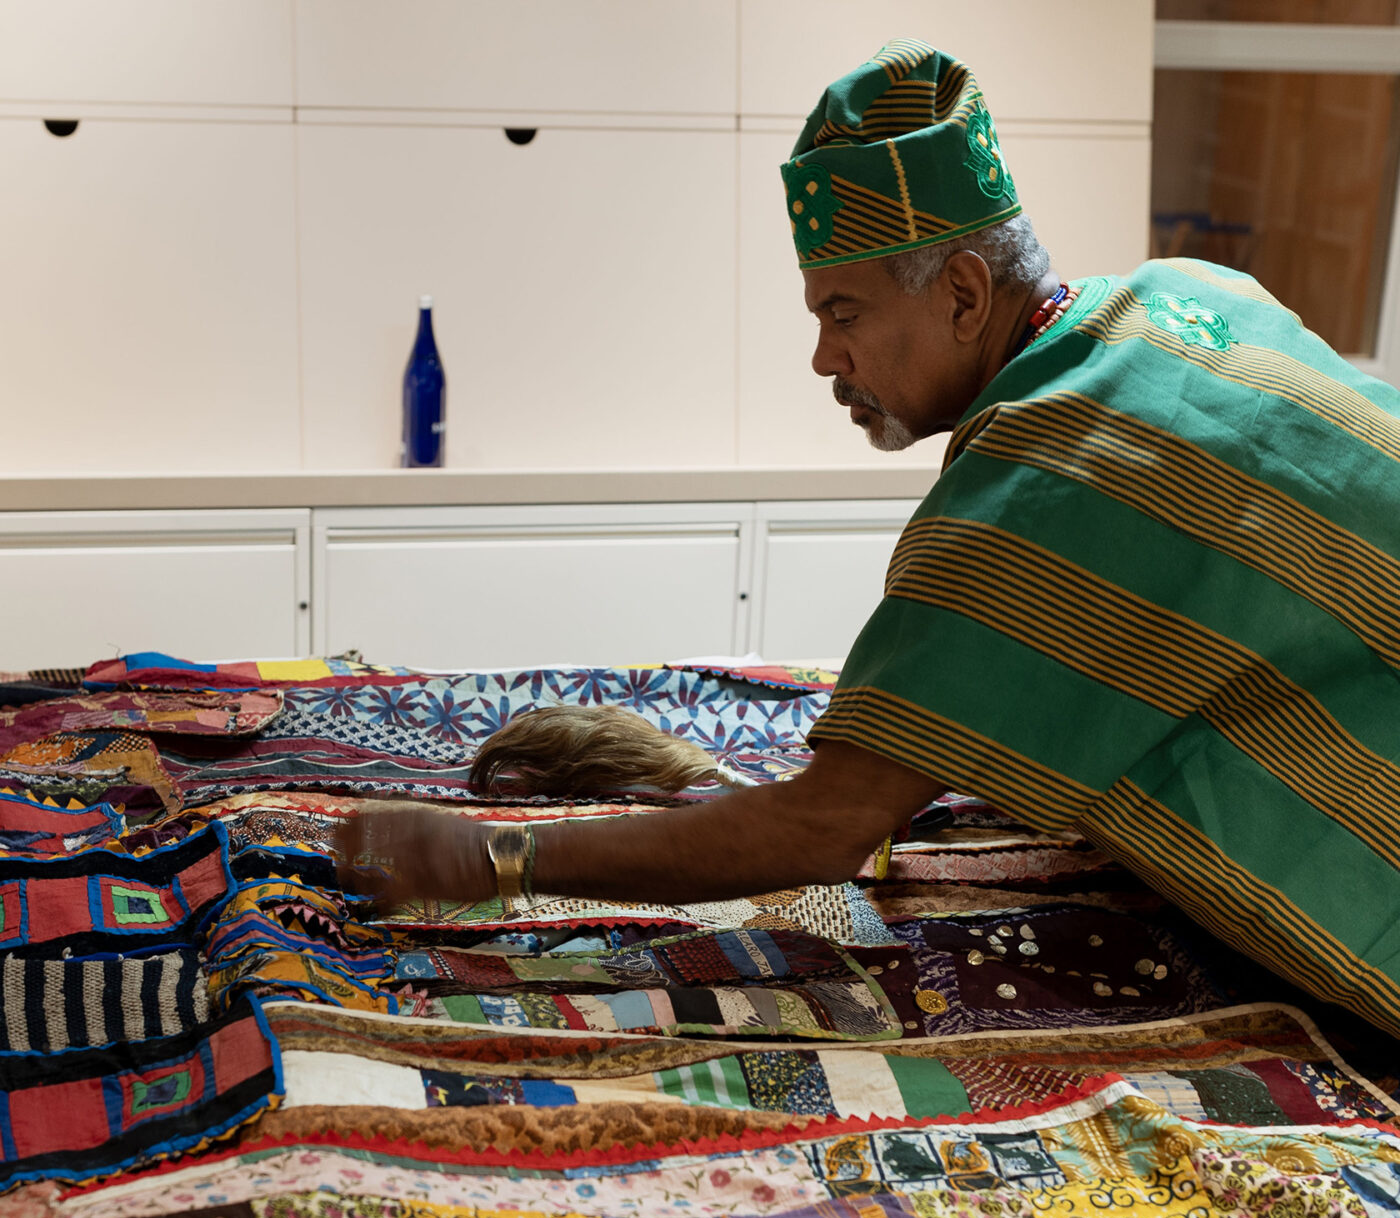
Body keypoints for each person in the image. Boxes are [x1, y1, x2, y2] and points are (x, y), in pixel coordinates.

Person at [343, 41, 1400, 1035]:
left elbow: (823, 829)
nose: (820, 357)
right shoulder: (1186, 292)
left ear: (962, 294)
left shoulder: (1040, 481)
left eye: (841, 313)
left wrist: (491, 856)